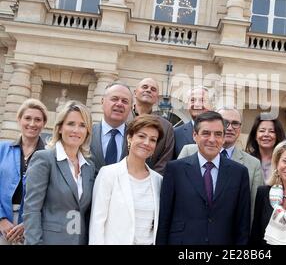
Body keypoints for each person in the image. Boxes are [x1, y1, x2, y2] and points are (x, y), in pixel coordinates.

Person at [156, 111, 251, 245]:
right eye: (206, 133)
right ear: (195, 135)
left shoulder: (239, 173)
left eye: (218, 134)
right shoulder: (175, 170)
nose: (212, 139)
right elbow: (164, 220)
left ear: (223, 138)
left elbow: (242, 225)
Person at [23, 101, 95, 245]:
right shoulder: (44, 158)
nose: (76, 130)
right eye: (71, 124)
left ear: (87, 131)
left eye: (82, 125)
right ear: (60, 128)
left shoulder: (89, 167)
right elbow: (32, 210)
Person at [178, 107, 264, 221]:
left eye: (235, 123)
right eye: (224, 122)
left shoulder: (253, 164)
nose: (229, 128)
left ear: (240, 128)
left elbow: (253, 209)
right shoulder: (188, 151)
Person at [89, 114, 164, 245]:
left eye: (153, 140)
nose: (147, 143)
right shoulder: (108, 174)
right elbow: (97, 223)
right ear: (129, 138)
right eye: (141, 136)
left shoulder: (158, 181)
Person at [0, 99, 48, 245]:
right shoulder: (2, 149)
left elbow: (52, 195)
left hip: (34, 228)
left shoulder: (50, 155)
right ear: (19, 120)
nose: (32, 124)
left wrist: (28, 223)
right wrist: (1, 220)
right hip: (3, 224)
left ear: (44, 123)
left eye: (38, 120)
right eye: (27, 118)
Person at [131, 77, 174, 175]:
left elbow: (164, 161)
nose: (148, 90)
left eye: (153, 89)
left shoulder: (166, 127)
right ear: (135, 92)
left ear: (157, 98)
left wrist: (146, 180)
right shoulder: (122, 118)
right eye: (145, 87)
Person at [90, 81, 133, 174]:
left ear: (130, 107)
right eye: (114, 99)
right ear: (102, 102)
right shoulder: (86, 134)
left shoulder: (135, 137)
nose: (119, 104)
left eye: (125, 101)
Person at [173, 86, 212, 159]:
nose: (197, 104)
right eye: (192, 100)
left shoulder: (220, 133)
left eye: (202, 100)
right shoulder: (175, 133)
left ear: (211, 105)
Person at [245, 114, 285, 184]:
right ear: (255, 135)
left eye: (272, 131)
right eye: (262, 131)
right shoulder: (246, 160)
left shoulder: (284, 161)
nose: (266, 134)